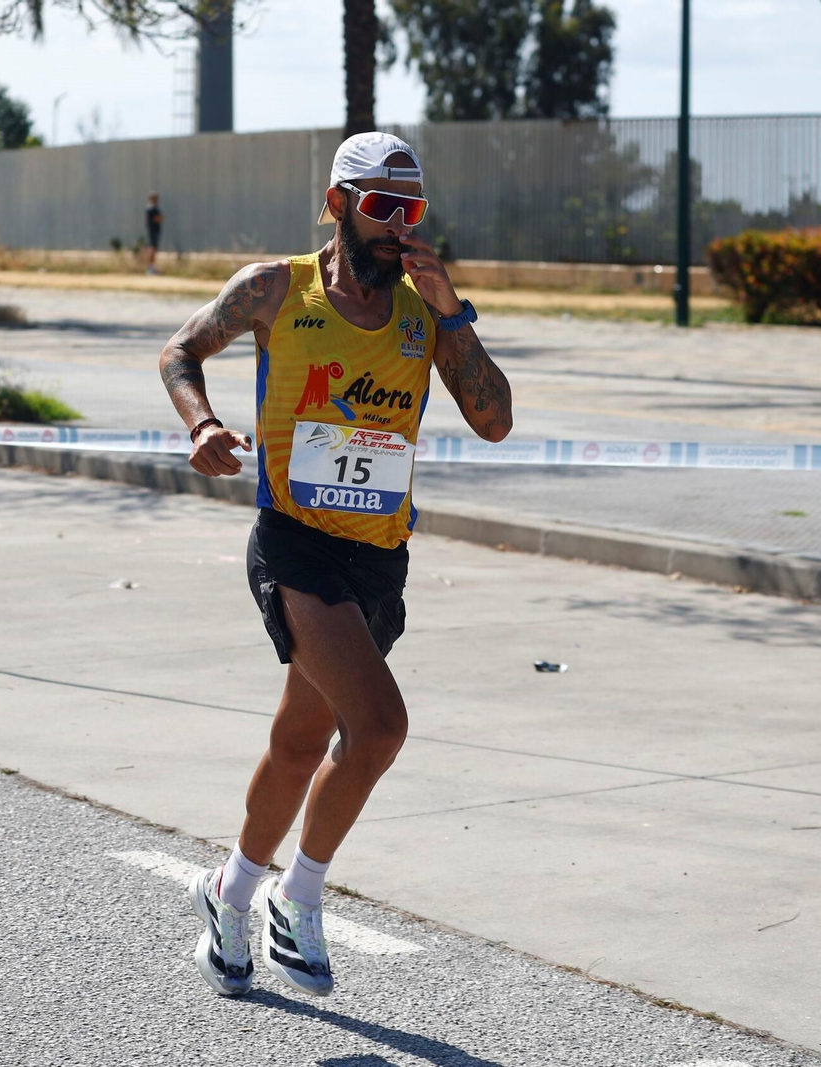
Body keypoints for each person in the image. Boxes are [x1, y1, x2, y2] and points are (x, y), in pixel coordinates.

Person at [158, 132, 512, 998]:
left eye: (413, 209)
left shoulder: (424, 311)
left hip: (378, 557)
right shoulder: (276, 288)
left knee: (298, 741)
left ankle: (227, 891)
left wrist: (453, 311)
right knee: (379, 726)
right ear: (339, 204)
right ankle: (299, 896)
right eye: (383, 207)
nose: (400, 226)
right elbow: (179, 353)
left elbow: (495, 419)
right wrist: (202, 425)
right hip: (295, 543)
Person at [145, 192, 163, 275]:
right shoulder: (151, 209)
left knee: (154, 250)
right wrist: (159, 218)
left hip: (156, 231)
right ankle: (150, 268)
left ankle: (152, 267)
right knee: (152, 250)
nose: (156, 199)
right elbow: (158, 219)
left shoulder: (156, 208)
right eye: (154, 198)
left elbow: (160, 219)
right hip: (153, 231)